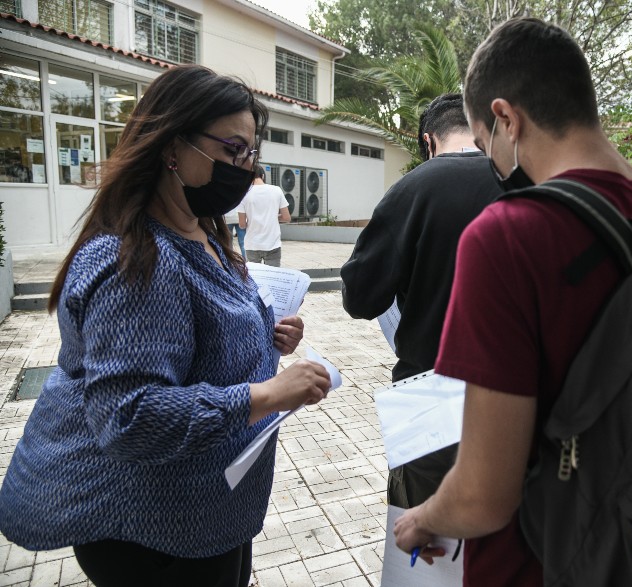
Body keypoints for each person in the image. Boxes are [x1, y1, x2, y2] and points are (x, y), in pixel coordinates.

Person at [393, 18, 632, 585]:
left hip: (543, 563)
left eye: (483, 144)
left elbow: (484, 495)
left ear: (506, 119)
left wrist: (422, 518)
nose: (489, 160)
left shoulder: (504, 239)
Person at [0, 65, 331, 587]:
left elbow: (196, 335)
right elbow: (129, 417)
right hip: (152, 535)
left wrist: (263, 335)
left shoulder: (204, 232)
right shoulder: (137, 262)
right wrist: (267, 395)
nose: (244, 168)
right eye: (232, 150)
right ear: (173, 147)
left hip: (206, 514)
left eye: (251, 154)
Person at [340, 93, 501, 508]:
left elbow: (360, 298)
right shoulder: (528, 182)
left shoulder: (410, 190)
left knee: (421, 536)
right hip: (513, 400)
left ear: (428, 141)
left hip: (428, 400)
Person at [237, 166, 290, 266]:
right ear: (263, 176)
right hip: (272, 243)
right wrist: (273, 216)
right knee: (273, 275)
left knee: (254, 275)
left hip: (252, 244)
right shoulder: (276, 190)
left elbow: (242, 224)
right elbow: (286, 218)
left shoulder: (243, 194)